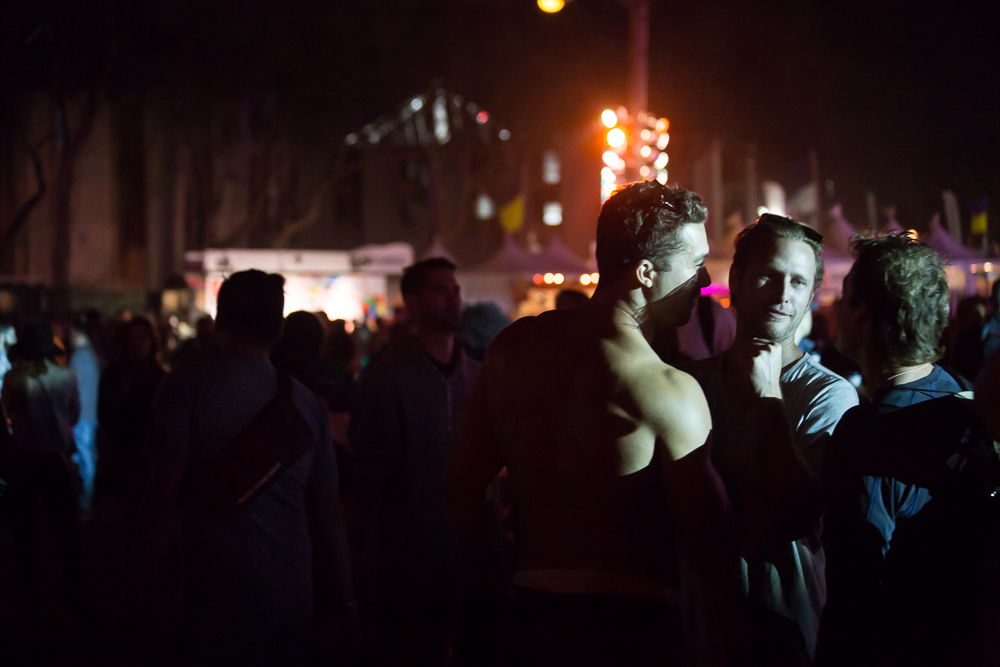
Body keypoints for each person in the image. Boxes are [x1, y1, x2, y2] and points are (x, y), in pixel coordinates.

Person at [447, 182, 741, 666]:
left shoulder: (513, 350)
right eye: (695, 263)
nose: (706, 279)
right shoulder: (667, 390)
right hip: (629, 626)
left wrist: (495, 580)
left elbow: (461, 488)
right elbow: (710, 547)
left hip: (527, 614)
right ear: (646, 272)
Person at [128, 270, 356, 666]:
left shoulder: (184, 391)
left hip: (210, 597)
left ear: (219, 323)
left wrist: (136, 590)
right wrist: (346, 599)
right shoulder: (306, 406)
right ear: (278, 329)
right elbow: (327, 514)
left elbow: (162, 499)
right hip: (291, 599)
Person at [682, 213, 859, 663]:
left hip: (785, 630)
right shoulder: (692, 384)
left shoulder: (828, 394)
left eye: (799, 283)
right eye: (769, 277)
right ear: (736, 281)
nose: (784, 295)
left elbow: (797, 514)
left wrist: (768, 397)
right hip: (698, 628)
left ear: (811, 296)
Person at [818, 234, 1000, 666]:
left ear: (861, 312)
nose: (836, 311)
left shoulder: (867, 434)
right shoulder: (965, 398)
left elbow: (855, 590)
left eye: (844, 298)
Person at [348, 257, 480, 666]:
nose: (453, 299)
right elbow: (370, 479)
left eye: (455, 290)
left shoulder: (476, 376)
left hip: (465, 550)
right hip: (405, 555)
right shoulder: (388, 380)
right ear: (413, 302)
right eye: (440, 290)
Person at [1, 321, 83, 620]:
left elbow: (6, 416)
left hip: (24, 461)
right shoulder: (67, 377)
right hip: (54, 459)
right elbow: (73, 416)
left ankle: (32, 595)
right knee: (67, 529)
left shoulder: (13, 379)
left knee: (27, 530)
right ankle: (75, 591)